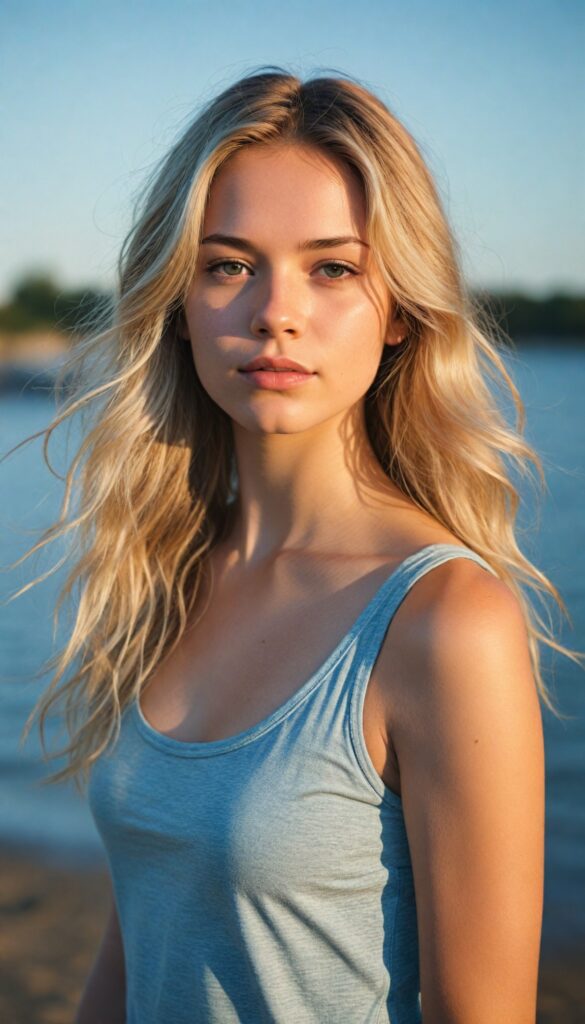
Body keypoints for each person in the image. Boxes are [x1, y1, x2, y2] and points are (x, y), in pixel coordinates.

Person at [10, 66, 581, 1023]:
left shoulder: (444, 622)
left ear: (399, 311)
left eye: (333, 268)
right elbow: (144, 930)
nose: (275, 312)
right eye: (228, 265)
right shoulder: (173, 572)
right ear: (176, 303)